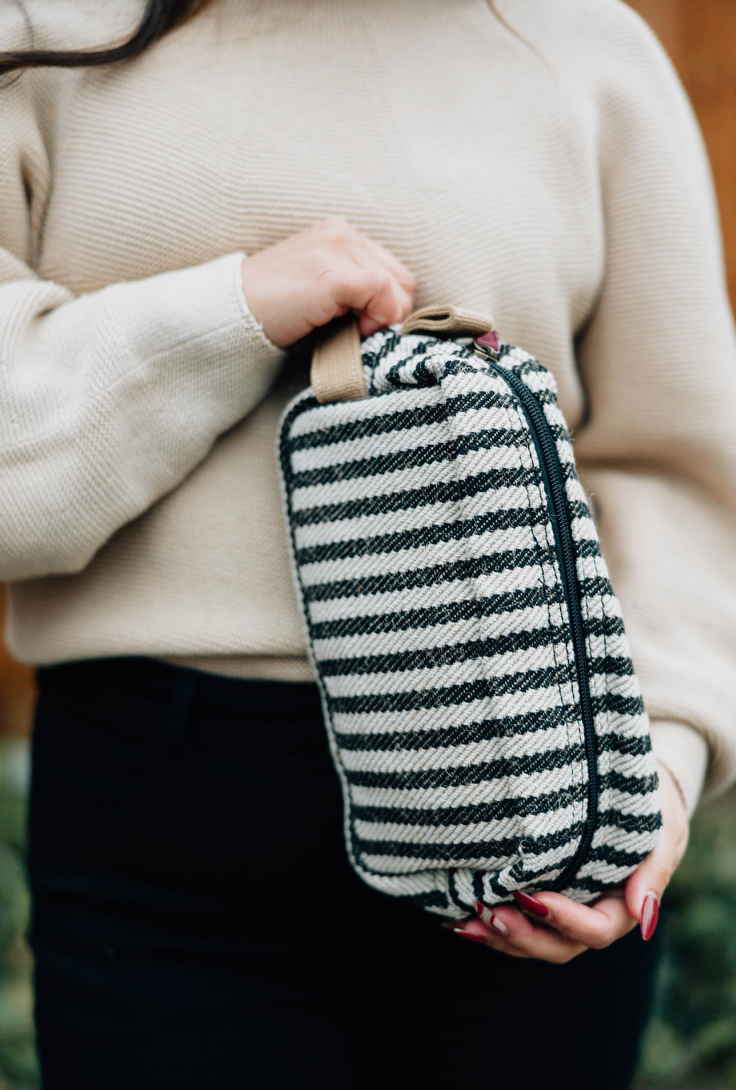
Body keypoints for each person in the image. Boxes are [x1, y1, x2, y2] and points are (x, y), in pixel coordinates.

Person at [1, 0, 735, 1086]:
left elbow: (679, 480)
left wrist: (653, 772)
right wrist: (230, 315)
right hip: (162, 825)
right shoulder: (42, 29)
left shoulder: (585, 47)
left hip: (531, 790)